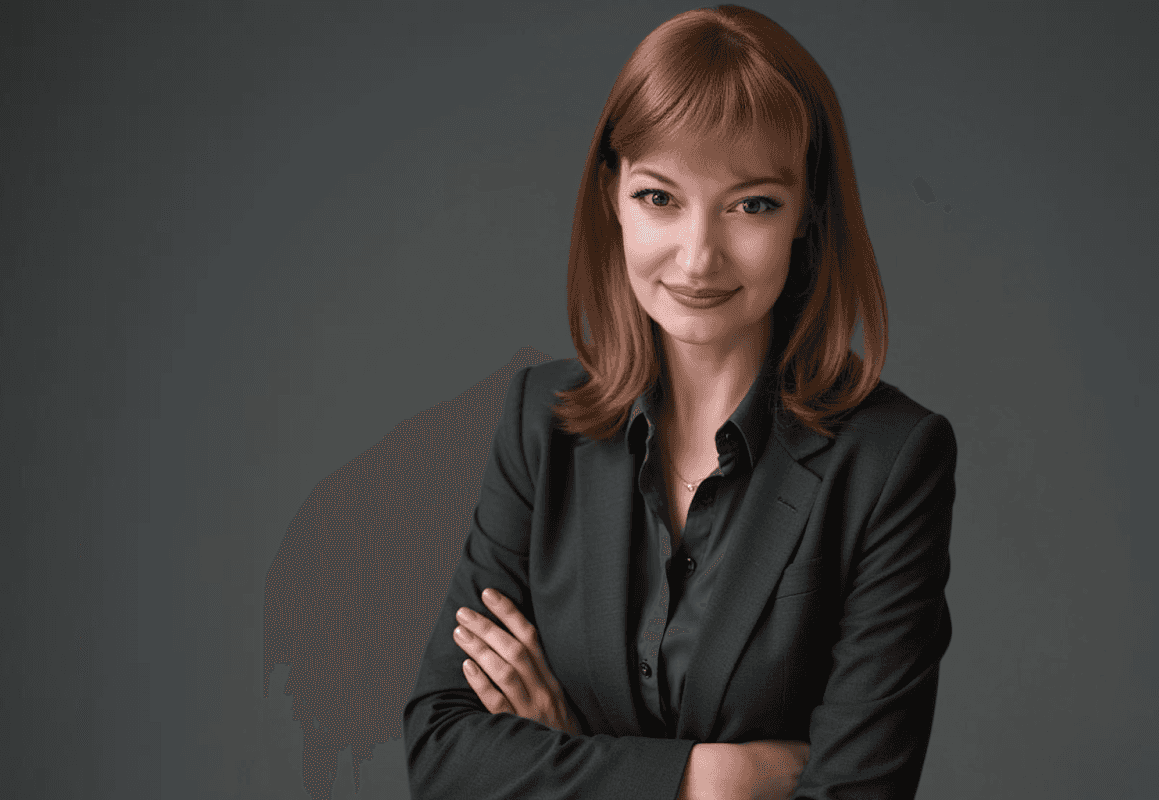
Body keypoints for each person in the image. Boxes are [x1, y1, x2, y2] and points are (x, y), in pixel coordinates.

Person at [401, 6, 957, 799]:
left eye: (752, 204)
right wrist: (712, 779)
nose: (698, 257)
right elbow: (442, 751)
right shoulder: (541, 422)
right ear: (612, 196)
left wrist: (567, 758)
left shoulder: (891, 462)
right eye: (660, 198)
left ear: (807, 212)